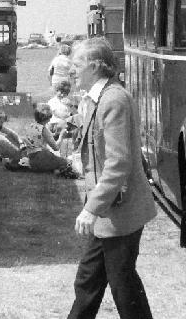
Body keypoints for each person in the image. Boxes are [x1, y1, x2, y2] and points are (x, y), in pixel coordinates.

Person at [67, 37, 156, 319]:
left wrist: (91, 209)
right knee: (89, 281)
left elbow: (118, 164)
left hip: (119, 212)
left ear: (94, 66)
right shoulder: (100, 97)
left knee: (122, 285)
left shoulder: (113, 99)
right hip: (111, 212)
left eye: (77, 65)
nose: (72, 71)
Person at [4, 103, 78, 177]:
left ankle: (19, 165)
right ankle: (59, 171)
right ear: (48, 118)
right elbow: (56, 148)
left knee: (53, 161)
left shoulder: (31, 126)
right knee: (65, 162)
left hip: (32, 160)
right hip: (42, 158)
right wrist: (61, 136)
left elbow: (39, 137)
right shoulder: (44, 130)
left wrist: (54, 135)